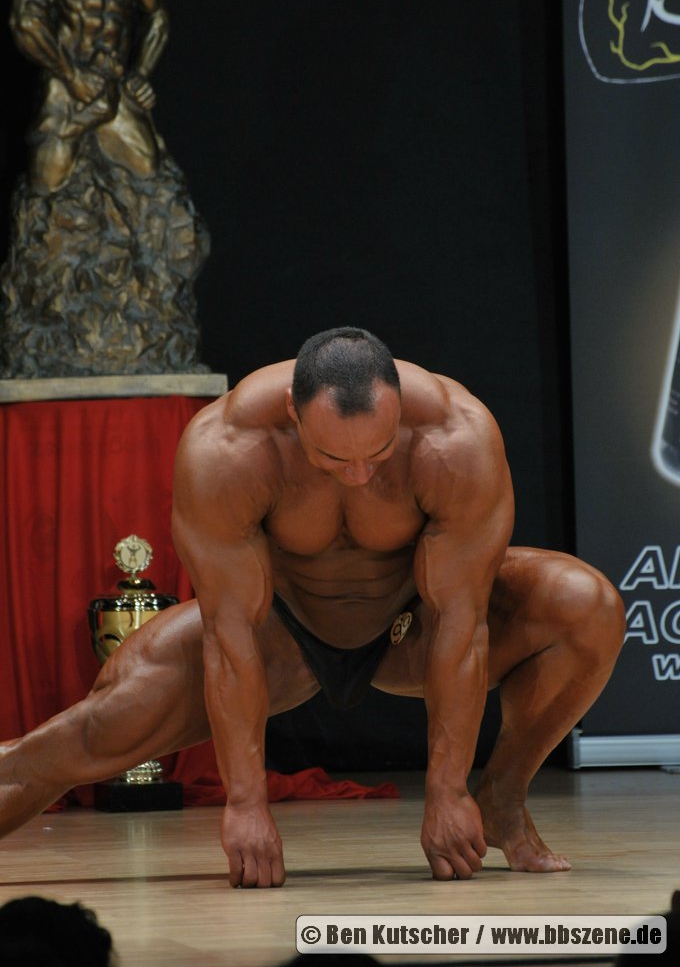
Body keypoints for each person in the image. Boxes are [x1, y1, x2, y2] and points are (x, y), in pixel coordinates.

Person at [0, 327, 626, 888]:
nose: (358, 474)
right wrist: (246, 802)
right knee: (91, 736)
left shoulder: (456, 437)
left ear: (399, 410)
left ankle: (502, 797)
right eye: (333, 458)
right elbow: (229, 633)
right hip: (278, 633)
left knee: (587, 606)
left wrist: (447, 790)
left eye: (378, 453)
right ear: (293, 416)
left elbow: (462, 624)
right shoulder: (228, 448)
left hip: (410, 625)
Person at [10, 0, 169, 191]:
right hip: (66, 80)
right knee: (47, 182)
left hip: (113, 80)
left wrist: (141, 73)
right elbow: (26, 20)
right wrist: (71, 76)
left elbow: (158, 17)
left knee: (147, 168)